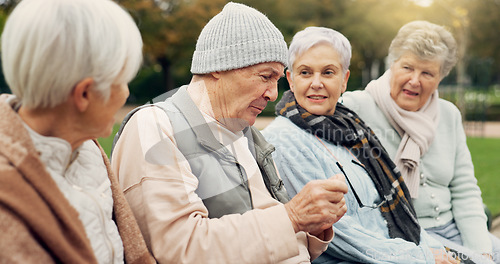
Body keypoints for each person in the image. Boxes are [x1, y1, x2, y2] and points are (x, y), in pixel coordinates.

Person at [111, 2, 348, 263]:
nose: (273, 95)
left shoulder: (246, 132)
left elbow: (279, 238)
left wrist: (313, 224)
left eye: (277, 80)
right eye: (265, 76)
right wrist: (292, 217)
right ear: (218, 66)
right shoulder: (154, 126)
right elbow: (180, 249)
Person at [262, 26, 461, 264]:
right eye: (305, 72)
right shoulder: (284, 139)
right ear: (291, 80)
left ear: (344, 80)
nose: (316, 83)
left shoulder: (350, 128)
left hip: (397, 251)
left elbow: (381, 212)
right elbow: (338, 235)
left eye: (328, 72)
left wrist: (433, 249)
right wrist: (420, 256)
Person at [0, 0, 155, 263]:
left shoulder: (87, 149)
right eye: (123, 81)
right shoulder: (7, 202)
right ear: (84, 94)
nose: (127, 93)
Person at [342, 20, 500, 263]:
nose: (415, 80)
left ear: (440, 78)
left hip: (454, 226)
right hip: (405, 236)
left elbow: (465, 189)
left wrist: (482, 250)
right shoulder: (356, 107)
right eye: (407, 67)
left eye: (427, 73)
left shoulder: (449, 114)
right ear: (391, 64)